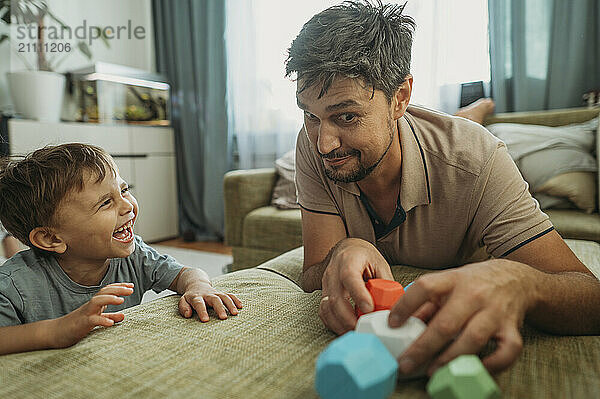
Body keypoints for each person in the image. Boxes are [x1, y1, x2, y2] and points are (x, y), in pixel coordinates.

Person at [285, 0, 600, 377]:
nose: (324, 144)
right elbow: (312, 272)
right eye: (310, 115)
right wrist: (346, 247)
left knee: (461, 130)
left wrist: (524, 282)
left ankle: (477, 110)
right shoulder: (313, 142)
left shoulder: (477, 157)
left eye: (347, 116)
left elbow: (589, 295)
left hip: (452, 141)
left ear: (400, 97)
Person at [0, 143, 242, 355]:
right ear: (51, 238)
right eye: (106, 202)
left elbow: (184, 273)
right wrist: (58, 330)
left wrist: (197, 286)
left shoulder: (135, 256)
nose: (128, 206)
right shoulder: (13, 284)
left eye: (124, 190)